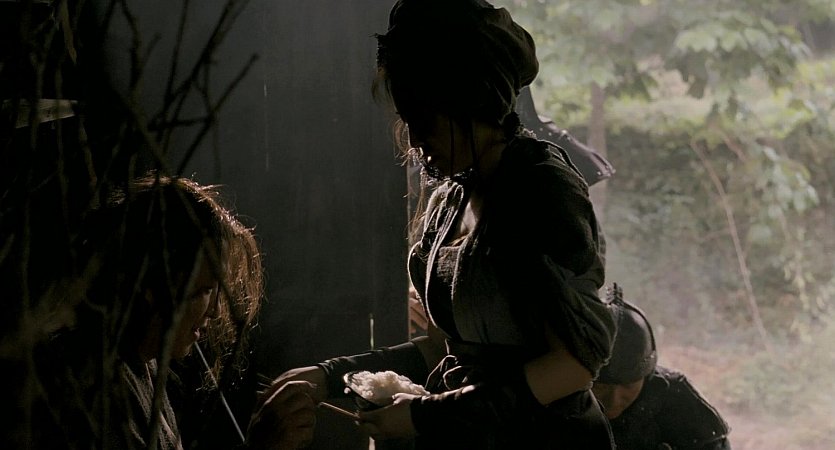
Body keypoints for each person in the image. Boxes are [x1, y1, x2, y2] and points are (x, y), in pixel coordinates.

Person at [265, 0, 617, 448]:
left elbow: (574, 364)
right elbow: (442, 348)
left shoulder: (538, 188)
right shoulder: (451, 198)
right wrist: (329, 376)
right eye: (407, 120)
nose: (414, 139)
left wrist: (426, 415)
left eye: (425, 121)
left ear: (472, 101)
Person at [32, 173, 317, 450]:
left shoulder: (143, 363)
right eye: (205, 290)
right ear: (154, 282)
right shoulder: (90, 385)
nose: (215, 311)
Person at [592, 285, 732, 450]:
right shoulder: (567, 398)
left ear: (646, 375)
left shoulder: (675, 397)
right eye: (601, 387)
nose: (614, 400)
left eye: (628, 386)